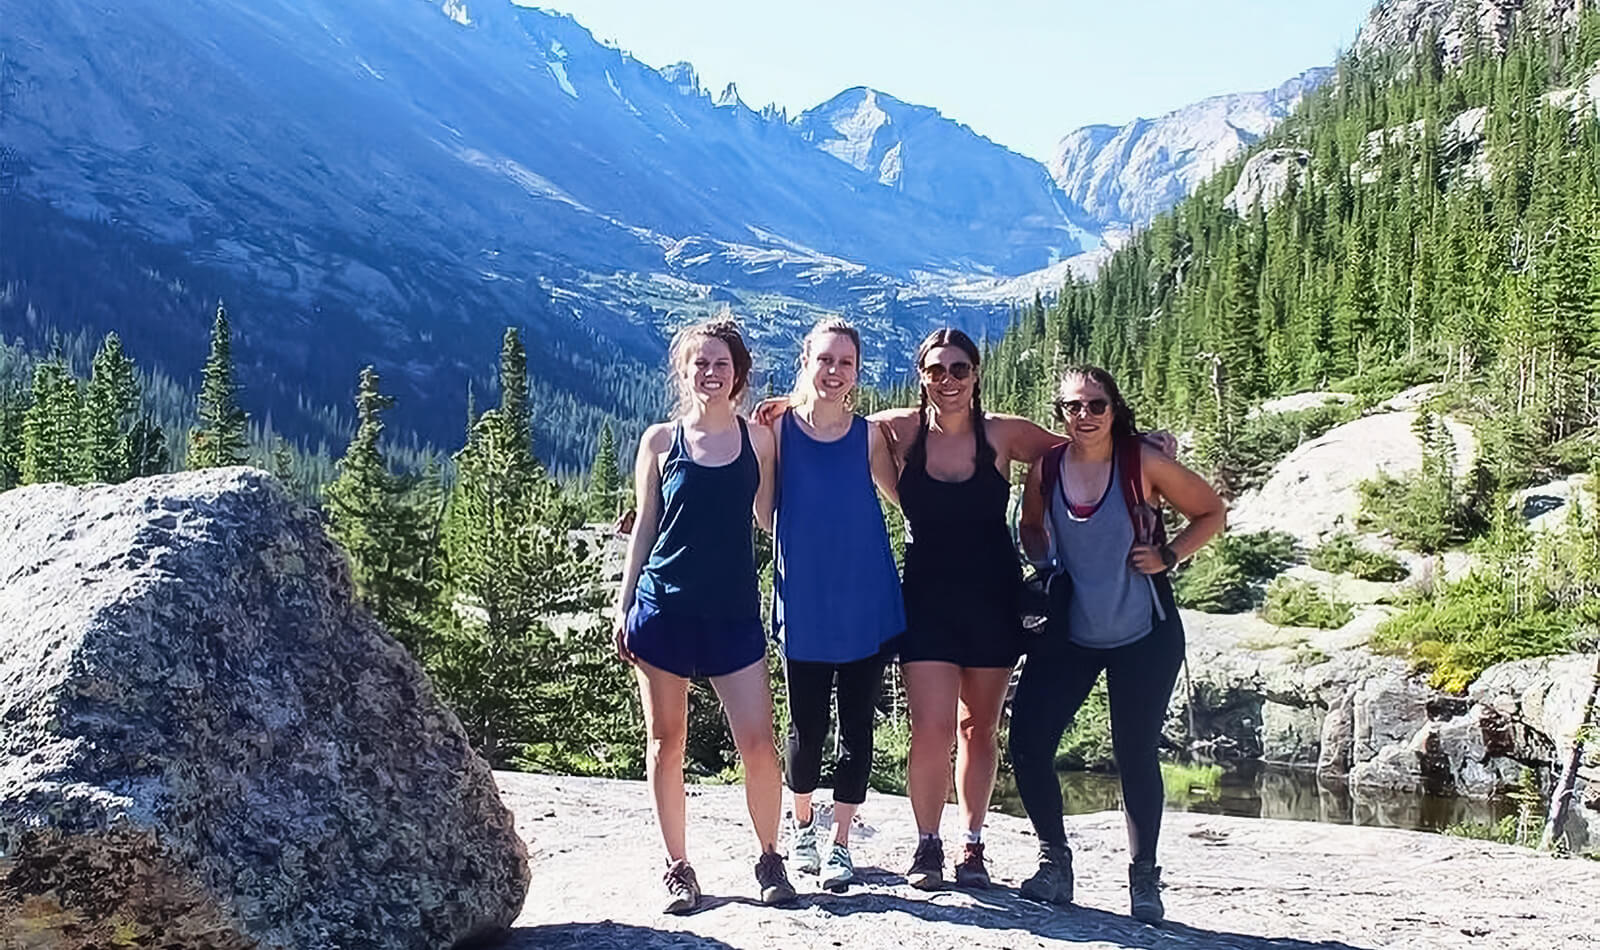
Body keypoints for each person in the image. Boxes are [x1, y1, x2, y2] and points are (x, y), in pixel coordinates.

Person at [1011, 364, 1225, 923]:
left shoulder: (1142, 463)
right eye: (1071, 407)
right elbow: (1032, 527)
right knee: (1029, 742)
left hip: (1144, 633)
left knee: (1135, 754)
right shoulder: (1048, 468)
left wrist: (1170, 555)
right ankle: (1054, 862)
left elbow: (1211, 511)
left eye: (1095, 405)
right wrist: (1044, 561)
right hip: (1072, 633)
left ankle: (1144, 880)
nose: (1083, 416)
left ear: (1114, 408)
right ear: (1060, 414)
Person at [869, 328, 1074, 890]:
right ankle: (927, 845)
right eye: (936, 370)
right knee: (931, 728)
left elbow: (1080, 446)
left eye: (959, 369)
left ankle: (973, 845)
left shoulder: (1003, 433)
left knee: (978, 727)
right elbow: (833, 419)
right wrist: (785, 407)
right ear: (922, 376)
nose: (948, 381)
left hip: (993, 597)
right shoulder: (900, 430)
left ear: (976, 374)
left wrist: (1143, 445)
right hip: (926, 599)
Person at [612, 318, 795, 914]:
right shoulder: (660, 442)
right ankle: (679, 868)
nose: (710, 372)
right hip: (664, 608)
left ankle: (770, 858)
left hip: (734, 613)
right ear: (684, 372)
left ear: (738, 373)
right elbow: (644, 527)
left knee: (759, 743)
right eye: (700, 363)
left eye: (721, 363)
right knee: (668, 742)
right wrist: (625, 600)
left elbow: (770, 518)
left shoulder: (758, 441)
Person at [765, 318, 904, 890]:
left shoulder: (869, 436)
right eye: (825, 359)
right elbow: (762, 505)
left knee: (856, 729)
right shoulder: (776, 431)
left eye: (845, 362)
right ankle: (802, 830)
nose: (835, 371)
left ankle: (841, 842)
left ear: (857, 371)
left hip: (865, 601)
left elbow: (907, 501)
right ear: (807, 361)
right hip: (806, 604)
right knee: (805, 727)